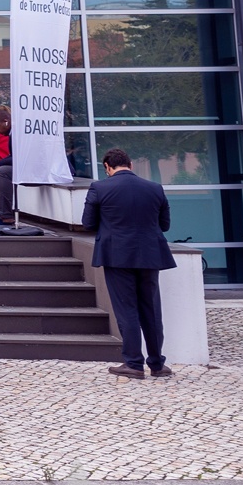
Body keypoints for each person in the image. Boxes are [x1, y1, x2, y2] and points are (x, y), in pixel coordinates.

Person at [82, 149, 177, 380]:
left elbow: (88, 223)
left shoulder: (99, 188)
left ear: (107, 167)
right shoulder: (155, 188)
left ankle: (133, 364)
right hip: (150, 255)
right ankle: (157, 364)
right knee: (151, 309)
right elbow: (164, 225)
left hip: (117, 255)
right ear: (131, 165)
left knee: (127, 309)